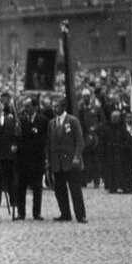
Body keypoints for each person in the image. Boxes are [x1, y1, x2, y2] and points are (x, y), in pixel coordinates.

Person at [46, 96, 88, 224]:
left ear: (63, 107)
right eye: (53, 106)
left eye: (57, 106)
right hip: (57, 162)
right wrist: (48, 160)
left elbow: (80, 141)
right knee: (60, 190)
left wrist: (76, 156)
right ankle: (65, 213)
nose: (54, 108)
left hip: (70, 161)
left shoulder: (73, 120)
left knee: (75, 190)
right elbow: (49, 143)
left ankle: (80, 215)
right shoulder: (52, 123)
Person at [12, 97, 48, 221]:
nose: (25, 109)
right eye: (25, 106)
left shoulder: (43, 120)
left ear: (35, 107)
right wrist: (16, 136)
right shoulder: (21, 120)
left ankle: (36, 213)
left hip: (36, 159)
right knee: (20, 187)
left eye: (28, 106)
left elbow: (43, 139)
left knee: (37, 188)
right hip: (22, 159)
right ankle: (21, 212)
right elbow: (17, 138)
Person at [0, 99, 17, 211]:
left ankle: (13, 200)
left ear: (2, 106)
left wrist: (14, 144)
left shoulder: (10, 119)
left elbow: (15, 134)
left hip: (8, 152)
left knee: (10, 177)